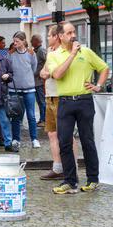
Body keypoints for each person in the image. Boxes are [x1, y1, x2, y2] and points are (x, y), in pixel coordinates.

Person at [47, 22, 109, 194]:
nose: (73, 35)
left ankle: (93, 179)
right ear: (60, 36)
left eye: (74, 32)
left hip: (84, 100)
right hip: (65, 102)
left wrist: (98, 85)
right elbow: (58, 75)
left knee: (87, 140)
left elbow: (104, 68)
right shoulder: (54, 55)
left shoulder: (86, 52)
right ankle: (70, 181)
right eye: (69, 33)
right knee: (64, 142)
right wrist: (72, 55)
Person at [39, 25, 78, 180]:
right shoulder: (50, 53)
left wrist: (50, 73)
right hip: (50, 96)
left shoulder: (65, 52)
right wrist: (49, 72)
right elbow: (43, 73)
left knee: (67, 134)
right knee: (52, 133)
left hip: (61, 95)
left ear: (56, 37)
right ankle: (58, 167)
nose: (47, 38)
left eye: (49, 35)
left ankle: (72, 168)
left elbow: (57, 73)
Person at [8, 31, 40, 149]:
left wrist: (27, 79)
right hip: (14, 89)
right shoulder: (10, 54)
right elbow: (8, 69)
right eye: (14, 41)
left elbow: (34, 68)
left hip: (29, 89)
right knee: (15, 115)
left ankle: (34, 139)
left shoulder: (31, 54)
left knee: (31, 115)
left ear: (23, 41)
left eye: (17, 41)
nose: (15, 43)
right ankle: (16, 139)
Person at [31, 34, 47, 127]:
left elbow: (47, 61)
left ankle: (44, 119)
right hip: (36, 81)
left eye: (32, 41)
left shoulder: (41, 50)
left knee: (41, 101)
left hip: (40, 81)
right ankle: (42, 118)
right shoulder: (36, 51)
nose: (31, 43)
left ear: (36, 41)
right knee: (39, 101)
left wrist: (42, 72)